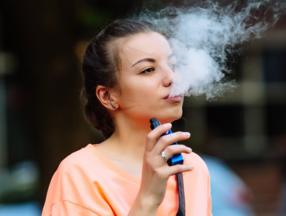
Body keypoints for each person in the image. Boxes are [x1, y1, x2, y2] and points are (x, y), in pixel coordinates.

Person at [42, 18, 212, 216]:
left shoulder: (192, 168)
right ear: (108, 96)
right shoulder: (79, 174)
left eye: (173, 65)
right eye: (148, 70)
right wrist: (148, 199)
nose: (171, 78)